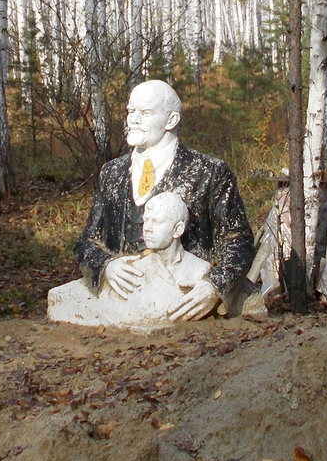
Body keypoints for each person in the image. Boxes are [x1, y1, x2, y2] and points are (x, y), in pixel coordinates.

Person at [74, 79, 255, 321]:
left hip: (185, 307)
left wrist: (214, 287)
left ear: (171, 120)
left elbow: (238, 240)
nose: (133, 120)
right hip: (121, 306)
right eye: (130, 111)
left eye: (145, 112)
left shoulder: (210, 172)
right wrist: (107, 266)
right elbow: (87, 242)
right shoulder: (111, 173)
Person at [47, 192, 211, 328]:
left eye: (157, 222)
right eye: (146, 220)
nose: (147, 228)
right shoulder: (135, 268)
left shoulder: (201, 271)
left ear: (178, 229)